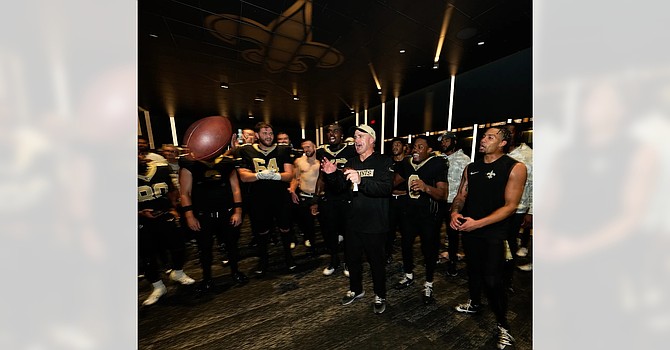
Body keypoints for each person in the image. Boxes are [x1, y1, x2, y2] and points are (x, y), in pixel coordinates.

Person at [450, 126, 527, 349]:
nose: (483, 140)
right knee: (473, 270)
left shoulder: (514, 167)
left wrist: (478, 223)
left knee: (493, 280)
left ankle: (503, 325)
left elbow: (510, 207)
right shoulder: (471, 167)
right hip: (470, 228)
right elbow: (460, 195)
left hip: (493, 231)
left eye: (490, 137)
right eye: (483, 136)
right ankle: (474, 303)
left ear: (503, 142)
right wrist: (455, 212)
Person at [322, 124, 393, 314]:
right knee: (352, 260)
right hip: (352, 222)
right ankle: (356, 289)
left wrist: (361, 181)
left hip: (375, 223)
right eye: (355, 136)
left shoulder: (384, 161)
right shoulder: (351, 162)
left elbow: (385, 189)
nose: (357, 140)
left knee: (376, 263)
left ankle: (380, 294)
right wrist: (330, 176)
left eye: (361, 136)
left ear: (372, 140)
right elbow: (339, 188)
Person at [179, 147, 248, 292]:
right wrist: (189, 216)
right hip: (203, 215)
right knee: (204, 249)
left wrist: (238, 211)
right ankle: (207, 279)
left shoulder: (227, 163)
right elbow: (184, 193)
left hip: (226, 213)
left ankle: (235, 272)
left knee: (232, 245)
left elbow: (236, 189)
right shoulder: (189, 164)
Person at [393, 135, 448, 304]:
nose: (416, 150)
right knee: (406, 244)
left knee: (429, 249)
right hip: (409, 214)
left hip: (429, 216)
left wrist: (426, 187)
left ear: (429, 150)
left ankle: (429, 283)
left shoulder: (437, 164)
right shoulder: (407, 163)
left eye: (420, 147)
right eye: (415, 146)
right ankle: (408, 275)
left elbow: (443, 194)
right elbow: (393, 182)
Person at [138, 142, 195, 306]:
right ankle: (157, 286)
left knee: (178, 246)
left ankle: (178, 272)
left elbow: (171, 190)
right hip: (141, 221)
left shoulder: (161, 168)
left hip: (164, 215)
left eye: (140, 153)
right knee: (147, 255)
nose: (139, 157)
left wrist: (173, 208)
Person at [236, 122, 296, 275]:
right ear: (257, 135)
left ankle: (289, 257)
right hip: (258, 198)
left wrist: (275, 175)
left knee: (285, 228)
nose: (268, 136)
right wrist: (258, 175)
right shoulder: (246, 150)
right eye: (264, 133)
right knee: (262, 231)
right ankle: (263, 259)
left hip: (280, 197)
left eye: (270, 133)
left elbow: (289, 175)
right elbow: (243, 176)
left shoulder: (283, 149)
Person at [315, 123, 357, 277]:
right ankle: (334, 260)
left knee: (348, 232)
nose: (332, 134)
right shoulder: (321, 151)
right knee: (329, 232)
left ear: (342, 134)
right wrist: (315, 198)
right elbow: (321, 176)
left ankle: (347, 260)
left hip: (346, 196)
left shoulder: (351, 150)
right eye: (329, 131)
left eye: (336, 131)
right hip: (329, 198)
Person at [436, 131, 471, 277]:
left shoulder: (464, 160)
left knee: (453, 235)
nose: (443, 143)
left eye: (446, 140)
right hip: (438, 201)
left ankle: (452, 263)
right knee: (434, 231)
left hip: (454, 203)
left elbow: (467, 185)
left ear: (454, 142)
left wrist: (458, 204)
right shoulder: (438, 159)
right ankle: (435, 256)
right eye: (442, 141)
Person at [503, 123, 533, 288]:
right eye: (504, 132)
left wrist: (532, 212)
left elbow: (536, 183)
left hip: (518, 207)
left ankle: (507, 277)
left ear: (518, 135)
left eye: (510, 132)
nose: (506, 135)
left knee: (509, 241)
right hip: (497, 206)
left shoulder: (528, 155)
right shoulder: (499, 152)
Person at [289, 139, 321, 254]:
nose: (306, 150)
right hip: (304, 196)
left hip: (319, 197)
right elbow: (295, 178)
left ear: (315, 146)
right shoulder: (299, 161)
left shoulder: (321, 161)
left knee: (324, 224)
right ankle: (311, 244)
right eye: (304, 148)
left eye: (308, 147)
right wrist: (292, 190)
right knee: (307, 225)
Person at [387, 137, 408, 263]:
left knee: (406, 231)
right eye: (393, 145)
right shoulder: (387, 162)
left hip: (405, 201)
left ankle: (407, 261)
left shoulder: (409, 162)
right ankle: (387, 254)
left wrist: (390, 188)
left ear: (404, 147)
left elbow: (391, 183)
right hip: (390, 201)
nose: (395, 147)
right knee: (388, 230)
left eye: (398, 145)